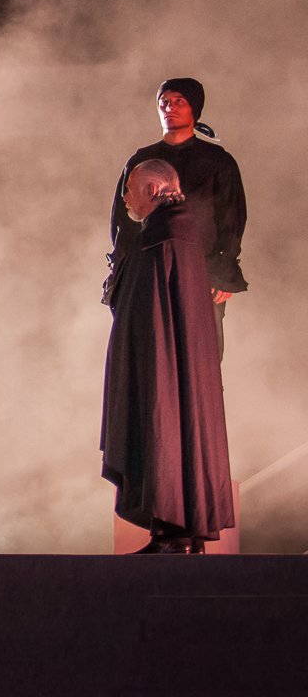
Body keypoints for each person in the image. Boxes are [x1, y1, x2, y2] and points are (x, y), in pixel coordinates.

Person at [101, 159, 234, 553]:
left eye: (129, 188)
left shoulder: (163, 240)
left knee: (165, 424)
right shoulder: (173, 234)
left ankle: (173, 534)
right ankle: (182, 535)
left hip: (161, 362)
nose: (125, 197)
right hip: (166, 358)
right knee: (177, 426)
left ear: (151, 190)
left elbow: (154, 310)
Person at [108, 78, 246, 353]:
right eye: (164, 102)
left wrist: (223, 272)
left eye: (178, 101)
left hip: (201, 273)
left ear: (194, 108)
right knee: (150, 352)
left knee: (199, 353)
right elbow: (123, 222)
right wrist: (120, 274)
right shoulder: (141, 159)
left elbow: (231, 220)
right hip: (147, 271)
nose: (169, 107)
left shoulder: (218, 161)